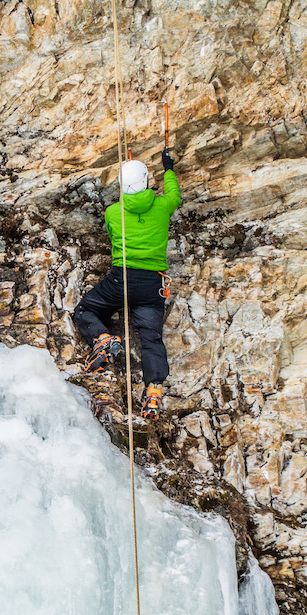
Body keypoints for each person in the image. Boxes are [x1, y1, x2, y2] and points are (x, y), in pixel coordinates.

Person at [73, 147, 181, 420]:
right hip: (152, 284)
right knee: (151, 338)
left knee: (86, 310)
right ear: (146, 182)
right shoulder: (162, 206)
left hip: (122, 279)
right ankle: (154, 393)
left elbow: (111, 236)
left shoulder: (113, 213)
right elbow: (174, 197)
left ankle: (103, 338)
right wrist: (168, 168)